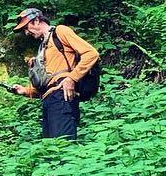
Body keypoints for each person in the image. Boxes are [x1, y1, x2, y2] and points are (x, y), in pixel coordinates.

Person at [8, 7, 100, 141]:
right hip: (49, 101)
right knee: (50, 148)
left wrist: (72, 78)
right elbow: (49, 83)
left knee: (63, 145)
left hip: (62, 96)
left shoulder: (60, 31)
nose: (26, 33)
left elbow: (91, 54)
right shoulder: (42, 47)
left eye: (26, 28)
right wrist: (26, 91)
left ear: (36, 21)